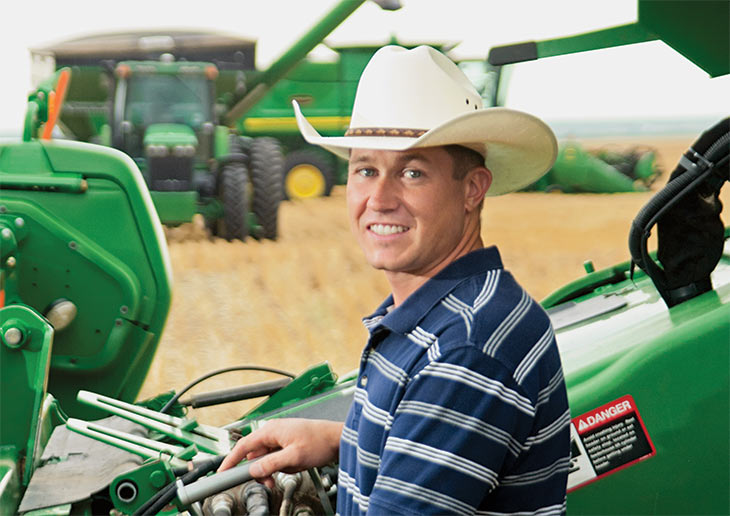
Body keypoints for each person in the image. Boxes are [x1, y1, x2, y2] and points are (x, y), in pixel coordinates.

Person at [219, 45, 571, 515]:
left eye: (411, 172)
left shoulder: (466, 351)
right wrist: (342, 440)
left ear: (472, 189)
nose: (380, 199)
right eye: (365, 170)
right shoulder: (455, 311)